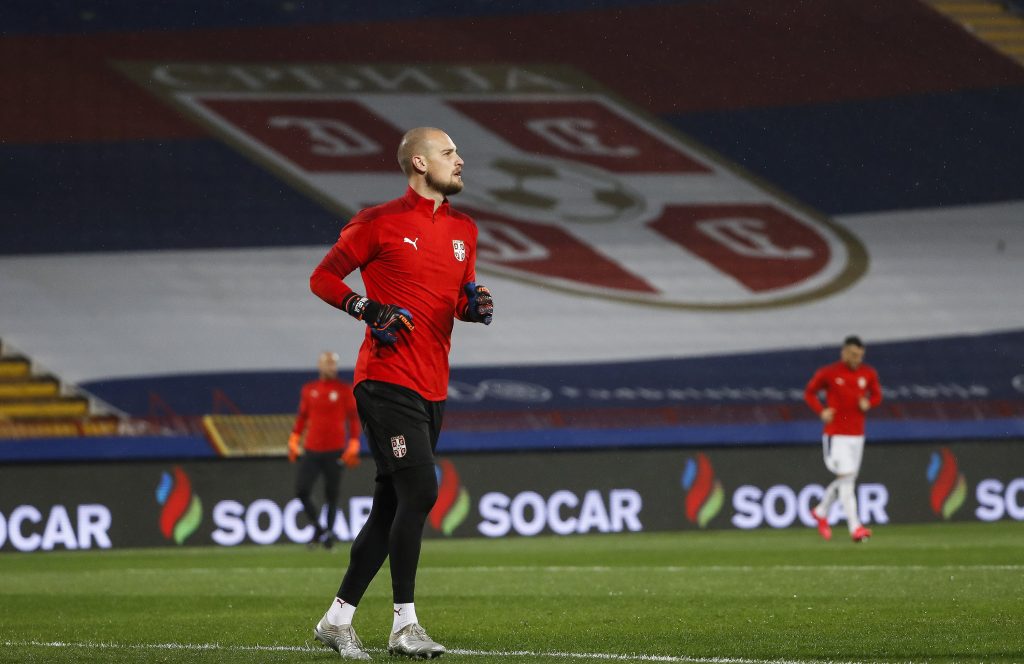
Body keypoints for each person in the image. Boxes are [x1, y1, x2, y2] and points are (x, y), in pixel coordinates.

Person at [307, 127, 494, 660]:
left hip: (433, 384)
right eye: (449, 152)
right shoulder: (378, 221)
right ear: (418, 162)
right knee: (422, 491)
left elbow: (456, 297)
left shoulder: (465, 229)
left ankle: (335, 620)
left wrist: (471, 308)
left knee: (389, 508)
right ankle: (404, 627)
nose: (460, 160)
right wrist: (365, 308)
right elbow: (323, 278)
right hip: (385, 379)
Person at [804, 335, 883, 543]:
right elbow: (810, 393)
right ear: (844, 352)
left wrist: (869, 403)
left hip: (857, 435)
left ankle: (821, 511)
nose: (857, 359)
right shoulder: (829, 373)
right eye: (854, 355)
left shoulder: (868, 373)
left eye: (860, 356)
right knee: (847, 481)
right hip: (836, 434)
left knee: (846, 480)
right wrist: (821, 411)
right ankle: (855, 528)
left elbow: (876, 396)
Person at [288, 351, 362, 550]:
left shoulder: (345, 390)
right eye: (327, 364)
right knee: (302, 490)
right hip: (312, 449)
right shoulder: (309, 389)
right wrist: (294, 439)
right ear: (320, 366)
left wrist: (354, 442)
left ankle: (328, 534)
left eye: (333, 364)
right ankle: (318, 529)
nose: (331, 367)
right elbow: (302, 417)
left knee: (332, 495)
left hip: (335, 450)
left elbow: (353, 419)